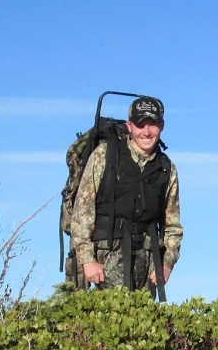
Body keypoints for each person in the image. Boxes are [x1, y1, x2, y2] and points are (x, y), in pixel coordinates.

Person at [70, 96, 182, 299]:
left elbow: (172, 225)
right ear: (129, 125)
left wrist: (167, 263)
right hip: (106, 258)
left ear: (162, 126)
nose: (146, 132)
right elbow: (82, 212)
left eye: (153, 124)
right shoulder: (104, 155)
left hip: (148, 261)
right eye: (140, 125)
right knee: (109, 324)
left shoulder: (167, 168)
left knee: (146, 326)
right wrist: (87, 260)